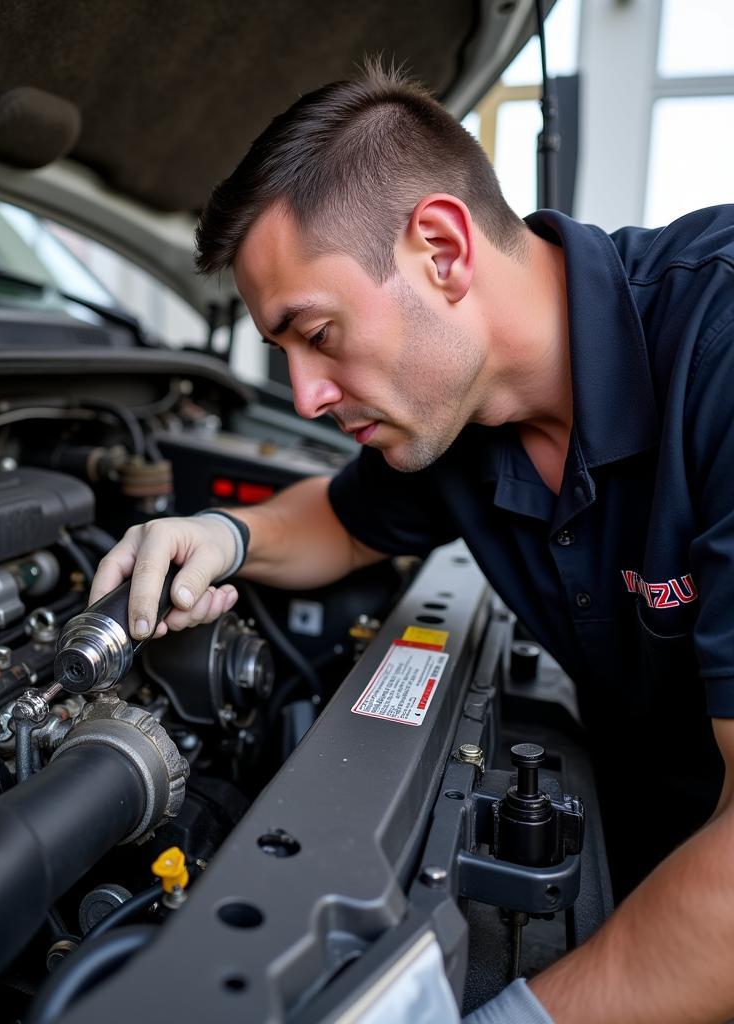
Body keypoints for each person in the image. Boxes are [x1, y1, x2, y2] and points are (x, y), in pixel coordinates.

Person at [88, 62, 734, 1024]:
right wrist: (219, 534)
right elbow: (342, 524)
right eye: (285, 357)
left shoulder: (717, 343)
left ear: (441, 248)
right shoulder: (455, 412)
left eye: (316, 332)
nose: (305, 395)